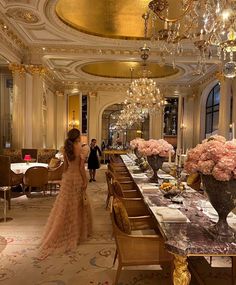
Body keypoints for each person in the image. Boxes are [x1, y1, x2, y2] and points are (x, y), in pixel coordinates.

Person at [39, 128, 92, 259]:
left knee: (64, 205)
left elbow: (66, 167)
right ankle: (76, 233)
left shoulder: (65, 148)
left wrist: (63, 179)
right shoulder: (81, 148)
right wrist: (85, 180)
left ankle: (60, 228)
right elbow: (81, 168)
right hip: (77, 178)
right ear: (78, 137)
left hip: (68, 178)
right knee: (77, 205)